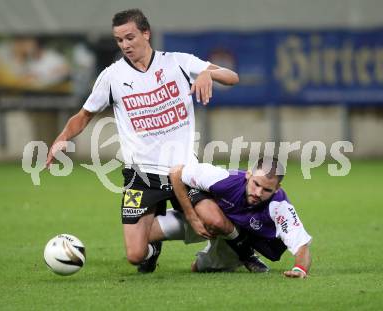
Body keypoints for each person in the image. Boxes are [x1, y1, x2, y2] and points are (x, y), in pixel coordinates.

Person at [45, 9, 239, 273]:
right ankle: (152, 248)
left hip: (183, 170)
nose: (125, 45)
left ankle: (241, 250)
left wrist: (208, 73)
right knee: (136, 255)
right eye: (119, 40)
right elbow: (84, 115)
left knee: (214, 220)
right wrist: (62, 138)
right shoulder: (112, 77)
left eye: (129, 37)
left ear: (146, 34)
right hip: (141, 176)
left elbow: (232, 77)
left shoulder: (178, 62)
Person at [149, 157, 312, 277]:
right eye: (256, 184)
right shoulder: (223, 179)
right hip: (206, 218)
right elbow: (176, 172)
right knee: (143, 238)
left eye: (267, 190)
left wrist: (299, 269)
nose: (258, 193)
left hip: (239, 242)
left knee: (199, 269)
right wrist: (191, 216)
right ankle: (153, 249)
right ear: (248, 174)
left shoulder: (280, 207)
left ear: (277, 189)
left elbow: (301, 245)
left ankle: (245, 254)